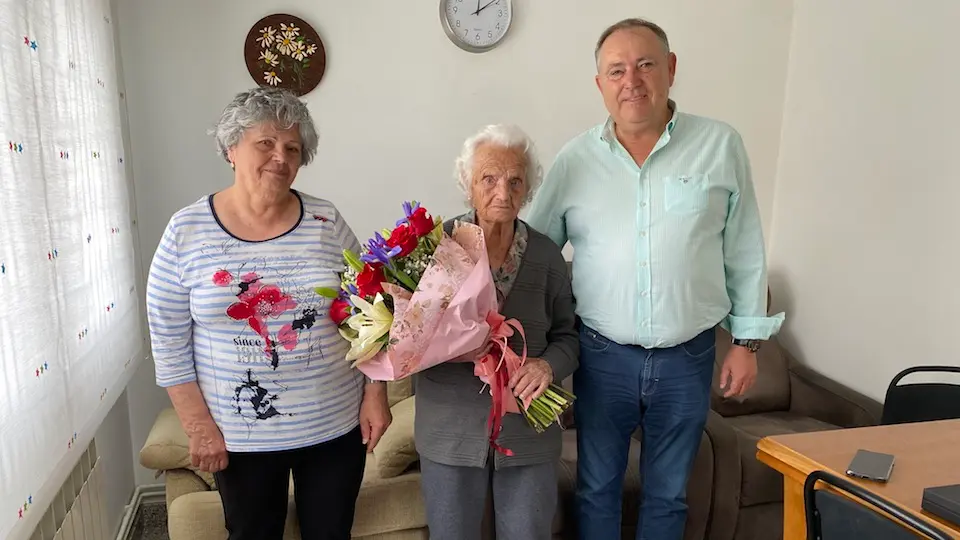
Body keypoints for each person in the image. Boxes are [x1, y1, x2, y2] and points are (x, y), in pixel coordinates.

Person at [526, 18, 786, 540]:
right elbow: (537, 255)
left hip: (688, 357)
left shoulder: (719, 145)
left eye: (645, 64)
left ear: (670, 69)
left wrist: (746, 344)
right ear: (599, 84)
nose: (632, 81)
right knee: (597, 488)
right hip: (602, 357)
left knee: (668, 495)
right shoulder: (575, 160)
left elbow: (745, 250)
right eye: (616, 70)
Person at [145, 86, 392, 540]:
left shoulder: (325, 220)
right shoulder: (186, 230)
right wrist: (199, 428)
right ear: (231, 149)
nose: (281, 156)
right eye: (266, 143)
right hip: (241, 438)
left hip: (334, 430)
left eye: (292, 148)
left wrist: (375, 394)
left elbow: (371, 309)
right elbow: (168, 340)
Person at [414, 124, 579, 540]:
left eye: (515, 180)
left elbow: (570, 335)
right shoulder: (438, 246)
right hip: (449, 429)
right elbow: (407, 333)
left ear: (528, 189)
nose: (502, 192)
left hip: (528, 429)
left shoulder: (546, 255)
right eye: (488, 178)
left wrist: (546, 365)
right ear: (467, 185)